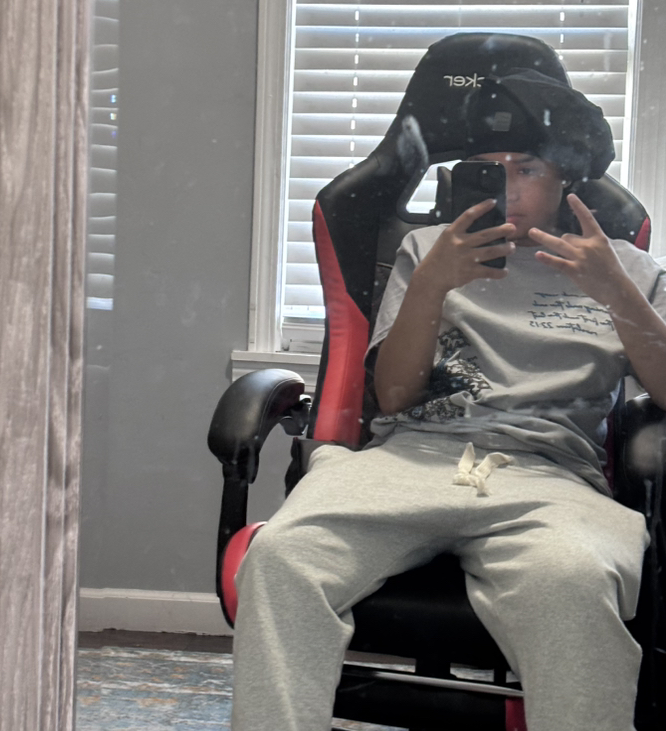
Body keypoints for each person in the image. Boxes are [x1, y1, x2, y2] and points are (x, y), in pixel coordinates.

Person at [230, 69, 666, 731]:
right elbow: (395, 395)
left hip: (547, 477)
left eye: (527, 169)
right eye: (487, 169)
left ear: (567, 178)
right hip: (410, 459)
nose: (507, 186)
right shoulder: (426, 250)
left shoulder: (625, 268)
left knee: (573, 581)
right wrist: (431, 286)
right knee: (282, 559)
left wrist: (616, 293)